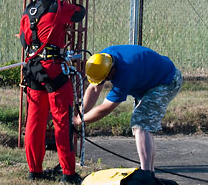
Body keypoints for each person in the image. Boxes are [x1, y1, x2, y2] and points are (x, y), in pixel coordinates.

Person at [20, 0, 86, 183]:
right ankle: (68, 173)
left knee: (34, 122)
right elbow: (80, 12)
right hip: (53, 70)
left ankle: (34, 171)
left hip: (33, 70)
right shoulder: (59, 8)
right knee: (62, 121)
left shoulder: (29, 10)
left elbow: (24, 40)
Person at [73, 45, 182, 174]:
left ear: (111, 71)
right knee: (142, 125)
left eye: (107, 79)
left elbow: (105, 109)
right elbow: (94, 88)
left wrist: (79, 120)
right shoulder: (102, 60)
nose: (107, 81)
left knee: (140, 123)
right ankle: (149, 172)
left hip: (167, 81)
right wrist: (80, 114)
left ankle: (146, 173)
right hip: (152, 79)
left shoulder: (124, 74)